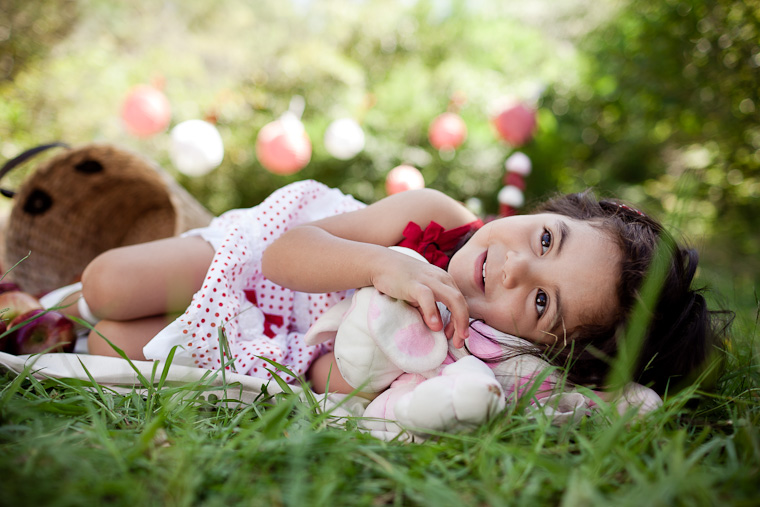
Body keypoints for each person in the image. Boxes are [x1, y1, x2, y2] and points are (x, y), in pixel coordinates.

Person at [68, 180, 724, 396]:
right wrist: (384, 264)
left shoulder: (467, 347)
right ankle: (57, 298)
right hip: (251, 267)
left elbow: (346, 377)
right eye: (547, 239)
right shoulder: (438, 218)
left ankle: (52, 323)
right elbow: (284, 252)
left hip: (274, 342)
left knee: (106, 345)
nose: (518, 267)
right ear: (552, 210)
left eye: (542, 302)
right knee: (108, 283)